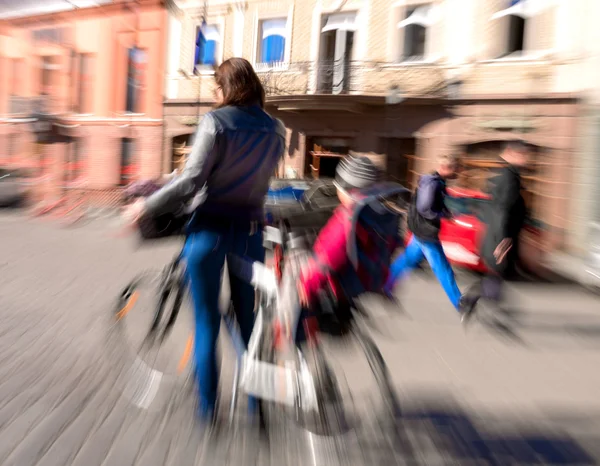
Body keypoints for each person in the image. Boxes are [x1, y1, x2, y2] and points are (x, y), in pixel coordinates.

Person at [124, 58, 286, 422]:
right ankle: (256, 407)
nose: (215, 93)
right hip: (250, 233)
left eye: (217, 86)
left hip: (208, 232)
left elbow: (192, 180)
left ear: (227, 87)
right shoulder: (276, 129)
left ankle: (208, 410)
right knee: (248, 322)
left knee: (207, 322)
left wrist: (145, 207)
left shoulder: (216, 121)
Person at [276, 156, 403, 341]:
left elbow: (328, 258)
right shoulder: (381, 214)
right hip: (369, 279)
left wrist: (307, 285)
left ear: (348, 190)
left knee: (295, 260)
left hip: (342, 281)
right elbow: (393, 244)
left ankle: (285, 324)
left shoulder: (347, 217)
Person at [384, 154, 478, 322]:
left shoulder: (437, 182)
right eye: (456, 169)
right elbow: (425, 209)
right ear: (446, 168)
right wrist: (444, 215)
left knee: (407, 260)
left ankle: (385, 286)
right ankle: (460, 304)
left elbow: (431, 206)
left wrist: (446, 212)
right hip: (425, 232)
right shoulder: (432, 183)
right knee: (443, 268)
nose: (458, 173)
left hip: (421, 230)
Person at [476, 140, 530, 305]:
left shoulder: (506, 174)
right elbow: (503, 209)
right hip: (500, 237)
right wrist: (503, 238)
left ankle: (476, 303)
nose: (526, 159)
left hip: (499, 235)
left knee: (497, 276)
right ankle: (478, 304)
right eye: (523, 155)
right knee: (496, 274)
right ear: (511, 152)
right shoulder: (509, 177)